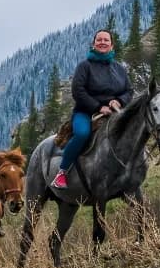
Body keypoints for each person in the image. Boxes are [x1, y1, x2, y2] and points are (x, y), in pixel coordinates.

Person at [52, 29, 132, 189]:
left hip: (114, 112)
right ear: (93, 44)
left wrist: (119, 101)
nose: (102, 42)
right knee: (82, 134)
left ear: (112, 45)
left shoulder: (119, 69)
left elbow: (129, 91)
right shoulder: (84, 66)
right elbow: (78, 91)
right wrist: (98, 107)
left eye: (106, 40)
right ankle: (62, 172)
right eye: (99, 40)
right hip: (85, 112)